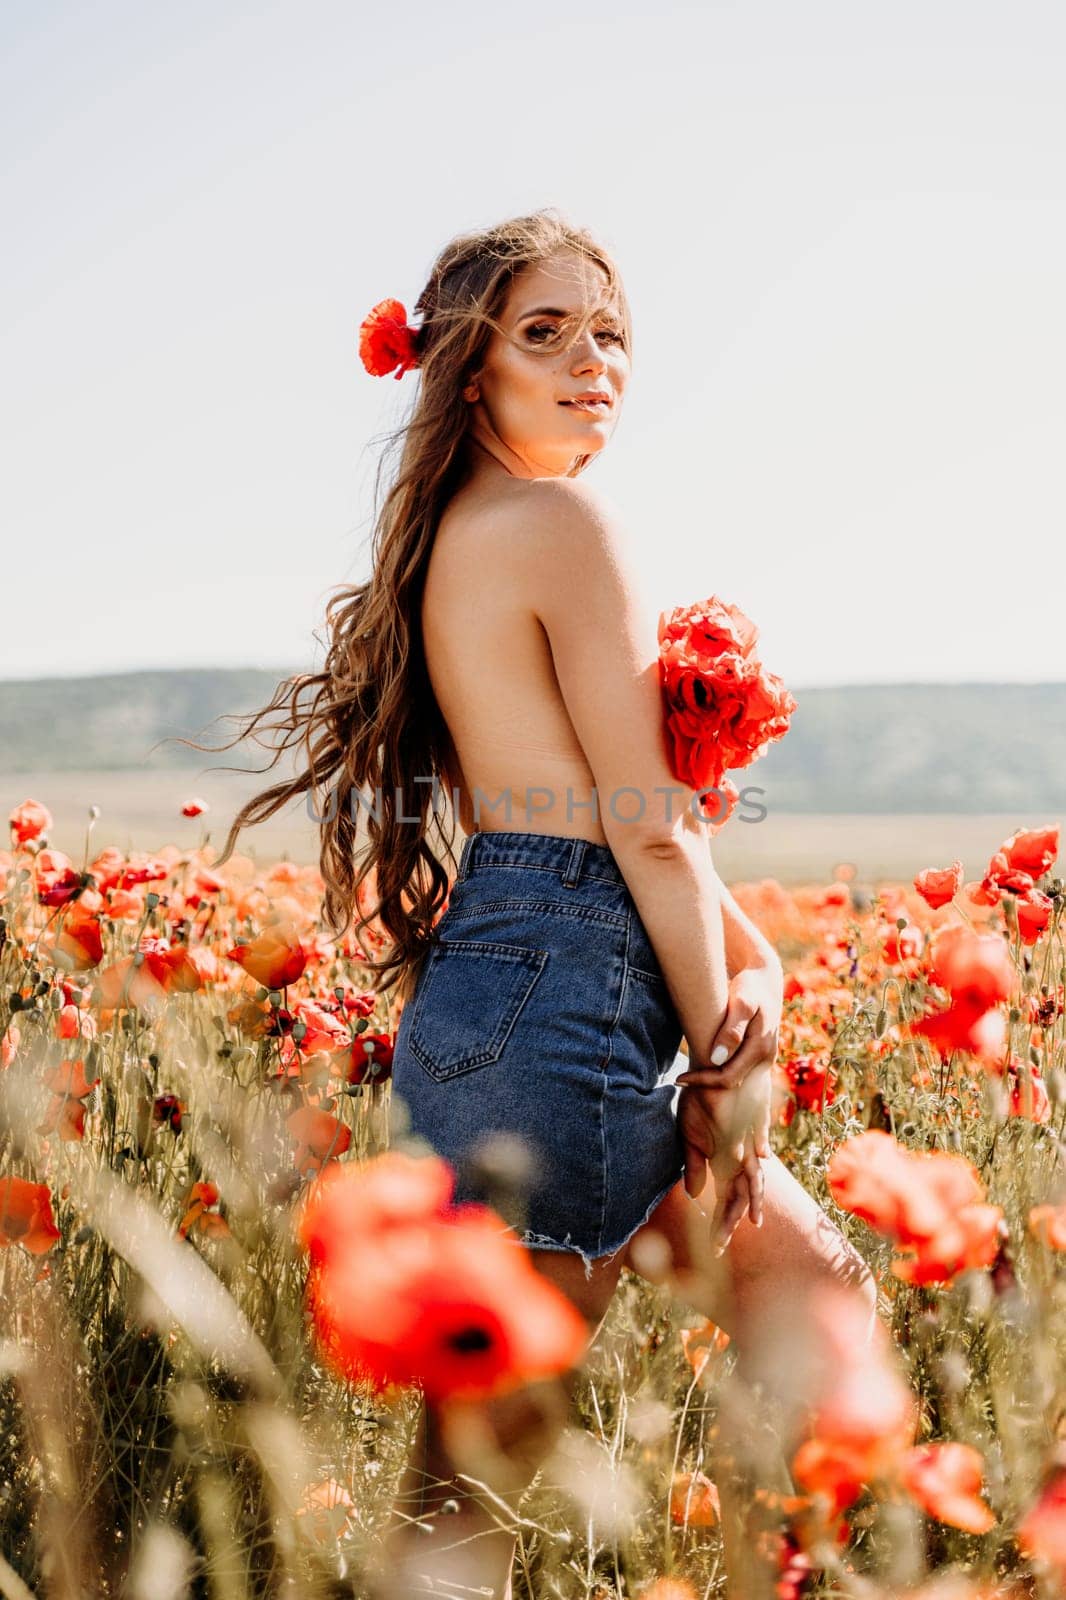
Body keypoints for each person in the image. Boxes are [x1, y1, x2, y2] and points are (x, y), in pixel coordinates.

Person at [213, 210, 878, 1600]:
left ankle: (734, 1562)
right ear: (472, 368)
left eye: (611, 332)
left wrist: (749, 963)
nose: (594, 361)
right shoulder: (564, 521)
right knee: (479, 1480)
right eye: (545, 333)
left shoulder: (467, 529)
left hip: (520, 971)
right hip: (571, 990)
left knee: (801, 1305)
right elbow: (635, 829)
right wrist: (724, 1057)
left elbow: (615, 820)